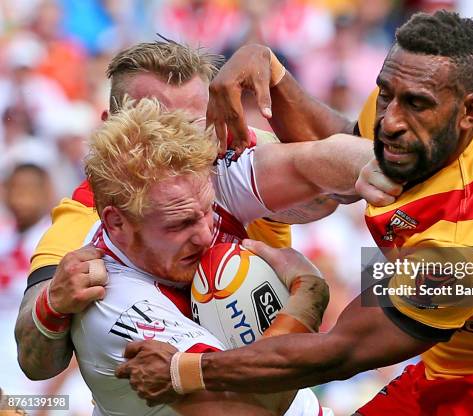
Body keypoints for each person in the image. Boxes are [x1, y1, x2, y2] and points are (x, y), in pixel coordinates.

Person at [118, 11, 473, 414]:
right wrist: (270, 70)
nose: (390, 119)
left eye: (414, 103)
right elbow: (346, 150)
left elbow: (340, 352)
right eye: (386, 92)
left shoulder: (471, 242)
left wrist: (185, 370)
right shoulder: (424, 110)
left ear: (471, 112)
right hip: (452, 357)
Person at [14, 40, 392, 382]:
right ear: (114, 130)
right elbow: (36, 362)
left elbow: (343, 182)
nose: (180, 144)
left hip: (270, 372)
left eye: (195, 126)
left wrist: (273, 72)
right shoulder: (84, 220)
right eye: (159, 126)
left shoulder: (227, 154)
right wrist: (51, 304)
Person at [73, 96, 323, 415]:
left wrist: (276, 73)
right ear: (116, 223)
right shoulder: (117, 307)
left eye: (207, 211)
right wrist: (310, 296)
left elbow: (339, 171)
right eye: (181, 223)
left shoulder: (185, 194)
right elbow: (254, 407)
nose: (206, 234)